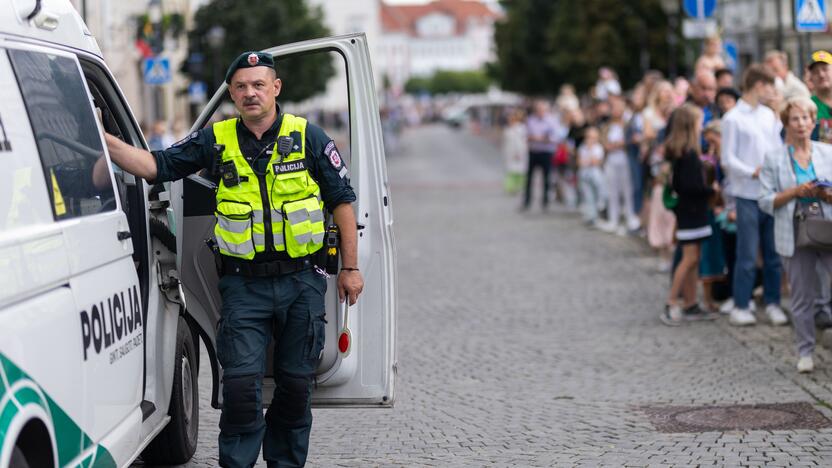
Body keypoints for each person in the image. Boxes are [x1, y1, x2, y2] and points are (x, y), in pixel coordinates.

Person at [103, 51, 364, 467]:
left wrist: (350, 269)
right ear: (232, 93)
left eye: (258, 84)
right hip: (244, 287)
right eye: (240, 87)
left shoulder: (308, 137)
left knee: (296, 389)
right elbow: (156, 166)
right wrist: (105, 141)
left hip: (302, 283)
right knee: (241, 391)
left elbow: (343, 205)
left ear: (276, 88)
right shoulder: (215, 139)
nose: (249, 93)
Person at [759, 97, 832, 373]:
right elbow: (764, 201)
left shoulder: (828, 153)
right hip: (794, 230)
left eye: (806, 118)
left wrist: (826, 194)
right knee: (802, 295)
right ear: (786, 124)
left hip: (827, 226)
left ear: (814, 122)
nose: (801, 124)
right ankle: (805, 351)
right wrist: (795, 192)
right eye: (795, 119)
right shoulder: (775, 158)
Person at [721, 64, 788, 327]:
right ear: (759, 85)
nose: (772, 92)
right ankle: (741, 303)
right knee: (747, 253)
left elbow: (777, 149)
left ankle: (772, 302)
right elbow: (727, 159)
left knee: (773, 253)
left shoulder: (768, 116)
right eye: (770, 86)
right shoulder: (733, 118)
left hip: (771, 193)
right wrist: (752, 172)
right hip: (746, 194)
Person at [661, 104, 717, 325]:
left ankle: (691, 303)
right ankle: (672, 301)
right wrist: (712, 190)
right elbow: (690, 187)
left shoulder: (682, 153)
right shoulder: (689, 155)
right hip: (692, 213)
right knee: (689, 259)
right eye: (698, 122)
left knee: (694, 260)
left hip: (691, 213)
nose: (701, 126)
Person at [598, 95, 639, 235]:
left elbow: (630, 141)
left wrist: (620, 144)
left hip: (625, 160)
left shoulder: (628, 125)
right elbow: (604, 143)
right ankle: (613, 219)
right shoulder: (606, 126)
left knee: (627, 190)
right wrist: (612, 146)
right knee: (612, 190)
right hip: (611, 160)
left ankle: (629, 218)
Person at [523, 100, 562, 211]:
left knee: (546, 177)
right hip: (534, 151)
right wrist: (533, 138)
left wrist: (545, 139)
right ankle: (527, 201)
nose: (540, 111)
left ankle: (545, 202)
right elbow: (526, 135)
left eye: (542, 109)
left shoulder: (552, 121)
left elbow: (556, 137)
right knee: (529, 178)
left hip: (546, 152)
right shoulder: (530, 120)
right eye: (538, 109)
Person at [577, 126, 606, 225]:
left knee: (598, 193)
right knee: (588, 196)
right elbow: (580, 162)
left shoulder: (598, 148)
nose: (590, 140)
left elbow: (596, 161)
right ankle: (591, 216)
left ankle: (599, 212)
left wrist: (588, 159)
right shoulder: (582, 147)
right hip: (584, 174)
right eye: (588, 137)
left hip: (595, 174)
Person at [502, 108, 527, 194]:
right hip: (510, 151)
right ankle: (511, 186)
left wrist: (518, 152)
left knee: (518, 170)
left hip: (518, 152)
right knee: (511, 170)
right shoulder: (508, 129)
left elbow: (520, 142)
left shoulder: (521, 129)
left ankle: (517, 186)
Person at [809, 50, 832, 144]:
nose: (821, 75)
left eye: (825, 69)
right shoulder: (807, 107)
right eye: (816, 72)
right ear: (811, 78)